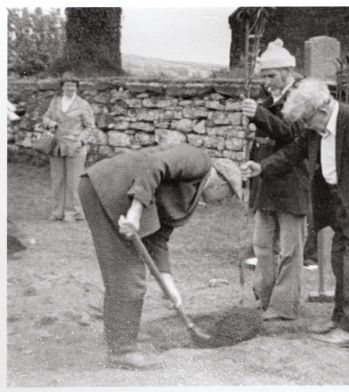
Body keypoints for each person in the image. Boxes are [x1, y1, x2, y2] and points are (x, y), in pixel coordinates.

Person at [241, 79, 349, 343]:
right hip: (341, 206)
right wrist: (262, 168)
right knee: (341, 263)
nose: (304, 127)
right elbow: (292, 153)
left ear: (322, 110)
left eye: (306, 121)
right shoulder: (316, 128)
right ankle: (339, 319)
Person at [78, 143, 240, 369]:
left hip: (112, 194)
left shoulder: (191, 194)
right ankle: (121, 351)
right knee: (129, 276)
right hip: (107, 189)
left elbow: (158, 236)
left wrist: (168, 282)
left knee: (124, 275)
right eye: (227, 196)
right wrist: (135, 212)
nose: (222, 203)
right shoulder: (199, 160)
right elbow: (154, 165)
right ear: (222, 183)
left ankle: (120, 338)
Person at [241, 38, 311, 321]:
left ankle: (284, 306)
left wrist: (258, 115)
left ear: (286, 71)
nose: (267, 82)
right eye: (264, 76)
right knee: (262, 245)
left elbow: (290, 133)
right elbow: (264, 141)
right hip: (265, 183)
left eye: (271, 75)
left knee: (290, 249)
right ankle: (264, 297)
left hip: (291, 183)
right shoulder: (270, 101)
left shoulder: (302, 98)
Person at [42, 72, 95, 221]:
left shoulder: (83, 104)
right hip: (56, 145)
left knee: (74, 181)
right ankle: (57, 212)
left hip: (75, 146)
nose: (69, 88)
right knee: (57, 179)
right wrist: (50, 123)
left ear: (77, 87)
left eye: (72, 85)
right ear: (62, 87)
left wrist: (80, 142)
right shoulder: (55, 101)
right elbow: (45, 117)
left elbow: (90, 127)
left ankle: (73, 213)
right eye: (66, 85)